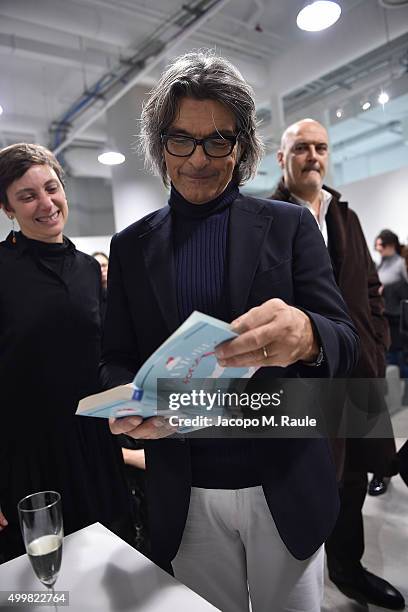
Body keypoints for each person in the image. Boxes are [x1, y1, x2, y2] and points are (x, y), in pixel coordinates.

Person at [101, 51, 359, 612]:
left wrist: (309, 333)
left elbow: (344, 338)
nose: (198, 158)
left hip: (284, 482)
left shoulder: (288, 226)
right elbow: (116, 357)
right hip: (183, 491)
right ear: (159, 145)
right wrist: (129, 404)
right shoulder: (130, 247)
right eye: (180, 140)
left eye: (217, 140)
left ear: (240, 147)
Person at [271, 118, 404, 610]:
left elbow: (370, 286)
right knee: (307, 478)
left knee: (355, 479)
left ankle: (348, 568)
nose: (313, 156)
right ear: (282, 158)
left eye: (321, 147)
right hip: (302, 376)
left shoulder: (343, 213)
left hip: (356, 368)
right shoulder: (267, 216)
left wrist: (375, 339)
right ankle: (301, 580)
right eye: (302, 147)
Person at [0, 143, 133, 563]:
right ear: (7, 209)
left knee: (111, 562)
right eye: (27, 196)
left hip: (95, 447)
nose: (46, 203)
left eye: (52, 188)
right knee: (47, 578)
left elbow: (102, 356)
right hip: (25, 457)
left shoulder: (88, 269)